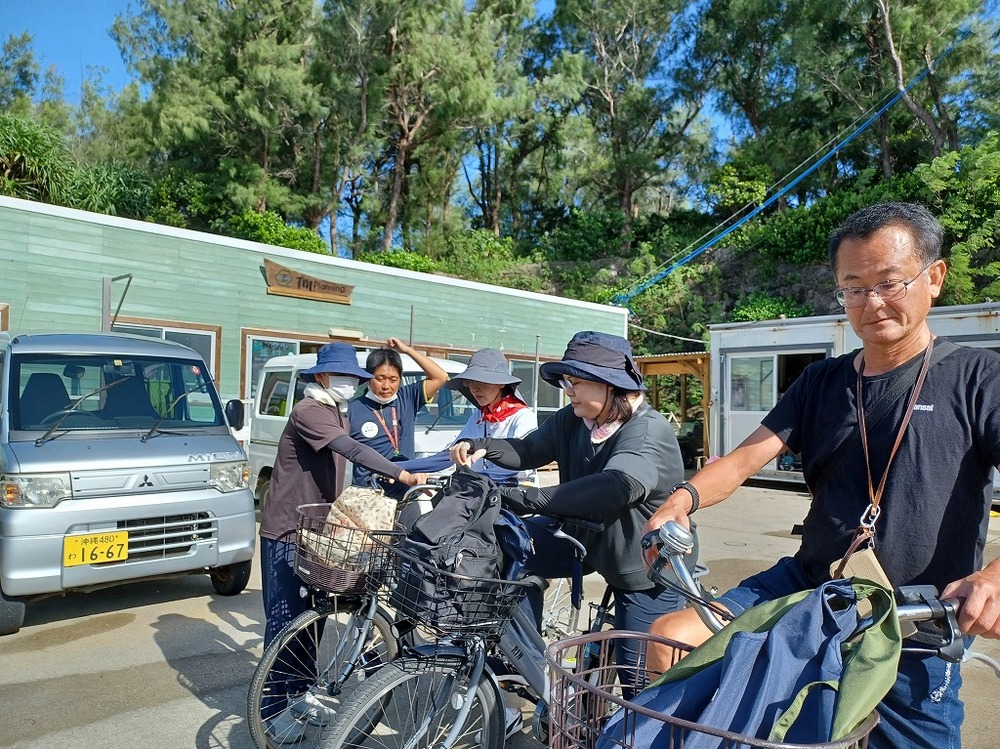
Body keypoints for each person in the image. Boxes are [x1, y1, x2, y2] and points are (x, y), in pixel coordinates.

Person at [644, 202, 1000, 749]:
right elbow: (741, 461)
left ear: (934, 278)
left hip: (917, 615)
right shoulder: (820, 381)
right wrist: (681, 500)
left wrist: (994, 576)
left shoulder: (978, 377)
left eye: (890, 283)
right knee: (672, 637)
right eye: (853, 288)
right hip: (812, 587)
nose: (872, 302)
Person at [450, 331, 696, 677]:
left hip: (642, 563)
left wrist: (532, 499)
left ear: (610, 384)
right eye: (567, 381)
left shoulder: (646, 432)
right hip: (585, 538)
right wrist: (483, 445)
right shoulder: (575, 419)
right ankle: (526, 662)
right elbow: (530, 450)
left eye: (576, 382)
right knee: (508, 543)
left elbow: (618, 485)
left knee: (638, 680)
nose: (568, 390)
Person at [258, 342, 426, 742]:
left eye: (353, 377)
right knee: (284, 620)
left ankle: (300, 693)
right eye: (342, 377)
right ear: (321, 377)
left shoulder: (337, 409)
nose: (350, 383)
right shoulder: (309, 410)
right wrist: (401, 475)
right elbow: (350, 448)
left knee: (312, 619)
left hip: (317, 530)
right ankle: (271, 709)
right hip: (287, 529)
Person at [396, 348, 538, 486]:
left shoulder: (522, 416)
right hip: (479, 489)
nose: (475, 389)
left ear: (501, 383)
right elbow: (449, 456)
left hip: (513, 492)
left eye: (482, 381)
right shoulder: (479, 416)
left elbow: (524, 461)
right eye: (470, 382)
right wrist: (396, 468)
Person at [348, 337, 449, 493]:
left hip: (406, 490)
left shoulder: (408, 397)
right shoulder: (352, 409)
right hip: (368, 494)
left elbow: (440, 377)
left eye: (393, 379)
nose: (386, 386)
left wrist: (407, 350)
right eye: (380, 379)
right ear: (368, 378)